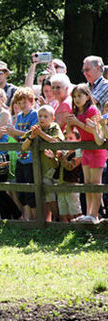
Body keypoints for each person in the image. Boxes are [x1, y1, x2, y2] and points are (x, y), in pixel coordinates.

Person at [66, 84, 106, 224]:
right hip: (85, 151)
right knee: (87, 183)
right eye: (74, 96)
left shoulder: (92, 110)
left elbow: (95, 132)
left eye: (80, 96)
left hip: (96, 150)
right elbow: (71, 133)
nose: (77, 99)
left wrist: (77, 122)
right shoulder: (77, 112)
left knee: (95, 183)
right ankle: (89, 213)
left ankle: (94, 214)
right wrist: (70, 124)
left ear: (88, 96)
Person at [22, 105, 64, 222]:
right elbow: (24, 147)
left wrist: (40, 134)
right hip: (42, 170)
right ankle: (54, 220)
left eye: (46, 116)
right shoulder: (37, 128)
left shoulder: (54, 127)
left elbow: (56, 141)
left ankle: (61, 220)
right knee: (48, 198)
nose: (42, 118)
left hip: (56, 168)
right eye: (40, 116)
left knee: (60, 196)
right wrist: (32, 136)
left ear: (52, 118)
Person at [0, 87, 21, 220]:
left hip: (1, 155)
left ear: (2, 99)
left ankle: (16, 214)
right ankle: (5, 215)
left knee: (0, 188)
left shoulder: (4, 114)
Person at [5, 87, 39, 220]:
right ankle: (27, 219)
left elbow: (32, 134)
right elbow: (20, 138)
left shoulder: (34, 114)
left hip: (31, 159)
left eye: (25, 102)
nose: (22, 105)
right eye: (19, 103)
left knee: (32, 191)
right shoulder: (18, 117)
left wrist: (15, 132)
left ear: (31, 101)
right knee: (22, 192)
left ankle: (37, 220)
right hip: (21, 157)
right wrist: (11, 134)